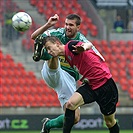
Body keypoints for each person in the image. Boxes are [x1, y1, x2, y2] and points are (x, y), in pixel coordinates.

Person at [40, 36, 120, 133]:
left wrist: (84, 47)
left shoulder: (70, 46)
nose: (49, 51)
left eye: (49, 48)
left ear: (57, 43)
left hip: (105, 85)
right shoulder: (66, 57)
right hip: (91, 84)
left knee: (110, 122)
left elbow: (89, 45)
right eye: (47, 49)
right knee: (70, 104)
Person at [31, 14, 97, 133]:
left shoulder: (81, 41)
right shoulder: (58, 33)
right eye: (66, 24)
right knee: (54, 48)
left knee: (75, 118)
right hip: (53, 70)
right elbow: (34, 36)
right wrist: (48, 25)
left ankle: (48, 124)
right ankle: (43, 53)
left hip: (68, 80)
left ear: (78, 27)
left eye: (71, 25)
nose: (67, 27)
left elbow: (96, 58)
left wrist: (85, 49)